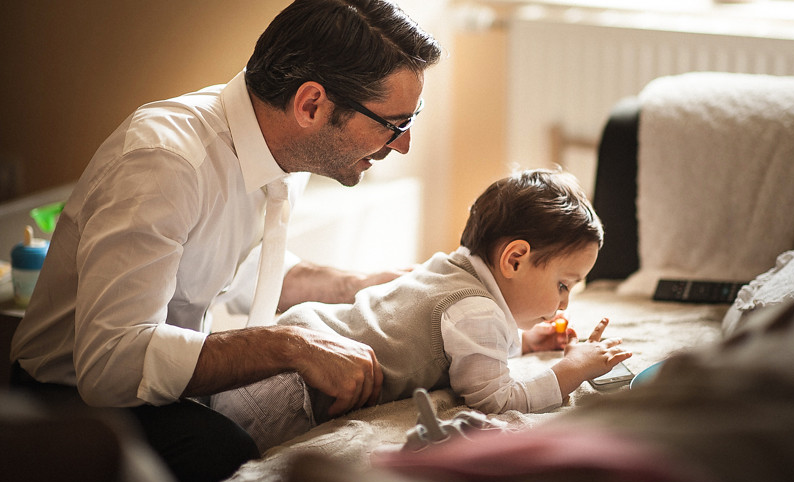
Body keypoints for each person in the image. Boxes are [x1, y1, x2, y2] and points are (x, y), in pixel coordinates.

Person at [8, 0, 442, 482]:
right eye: (395, 123)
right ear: (311, 105)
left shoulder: (283, 143)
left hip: (146, 382)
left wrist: (363, 283)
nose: (405, 144)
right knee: (230, 454)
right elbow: (110, 365)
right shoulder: (163, 163)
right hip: (70, 401)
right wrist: (288, 345)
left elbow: (235, 270)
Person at [212, 168, 633, 453]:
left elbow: (463, 348)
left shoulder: (451, 270)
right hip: (291, 393)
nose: (564, 303)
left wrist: (525, 340)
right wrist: (571, 370)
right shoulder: (476, 311)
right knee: (223, 454)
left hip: (282, 356)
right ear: (515, 259)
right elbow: (493, 400)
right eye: (564, 284)